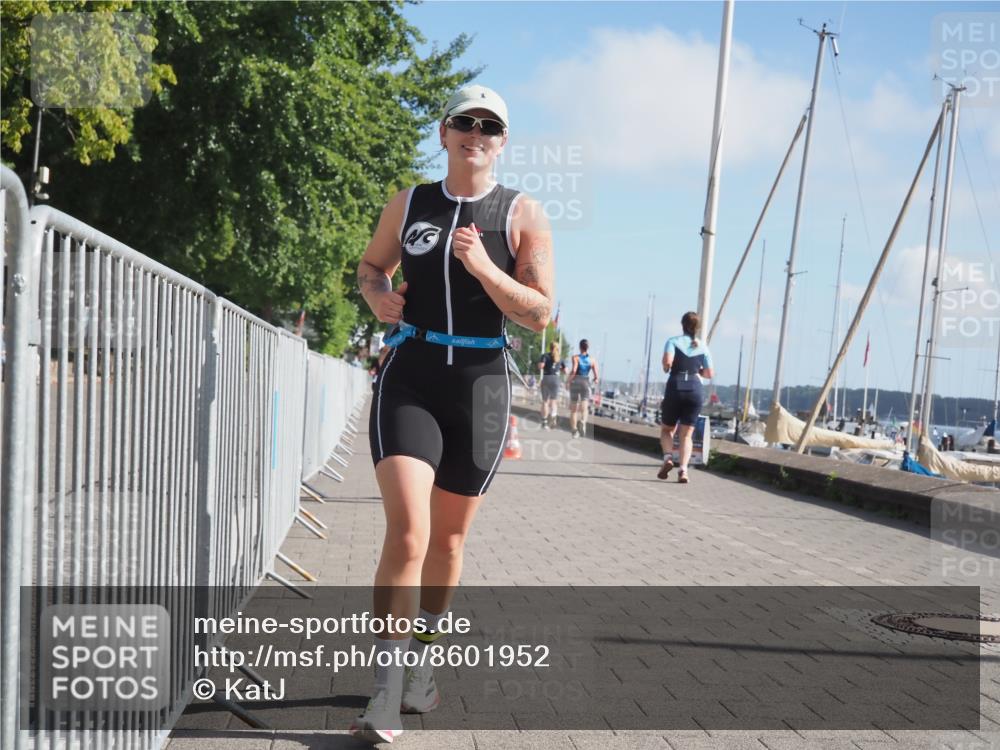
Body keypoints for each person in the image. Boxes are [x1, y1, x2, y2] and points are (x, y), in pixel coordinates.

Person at [353, 84, 554, 744]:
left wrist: (482, 267)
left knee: (447, 543)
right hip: (411, 374)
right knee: (408, 534)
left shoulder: (521, 213)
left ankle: (422, 665)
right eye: (464, 121)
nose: (476, 132)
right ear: (443, 132)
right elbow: (371, 267)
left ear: (501, 142)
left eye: (489, 125)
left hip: (481, 386)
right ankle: (383, 691)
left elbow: (540, 311)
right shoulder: (410, 202)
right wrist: (379, 298)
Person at [657, 312, 714, 483]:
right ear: (697, 328)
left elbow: (667, 362)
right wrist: (697, 371)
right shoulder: (703, 346)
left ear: (682, 325)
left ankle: (668, 457)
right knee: (686, 435)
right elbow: (709, 373)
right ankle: (683, 470)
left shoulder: (673, 341)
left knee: (667, 430)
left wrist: (667, 367)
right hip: (695, 389)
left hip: (676, 385)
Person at [568, 338, 599, 438]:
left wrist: (567, 381)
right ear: (588, 348)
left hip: (576, 382)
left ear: (579, 347)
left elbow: (574, 371)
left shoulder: (575, 358)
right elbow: (596, 377)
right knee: (584, 408)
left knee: (573, 409)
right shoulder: (592, 360)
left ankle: (574, 431)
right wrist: (595, 379)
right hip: (585, 382)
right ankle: (582, 422)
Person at [538, 340, 562, 429]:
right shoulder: (560, 358)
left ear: (550, 347)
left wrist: (540, 365)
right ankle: (553, 419)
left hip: (547, 378)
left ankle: (544, 421)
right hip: (555, 380)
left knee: (545, 401)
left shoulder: (545, 356)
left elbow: (541, 366)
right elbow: (566, 370)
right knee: (554, 401)